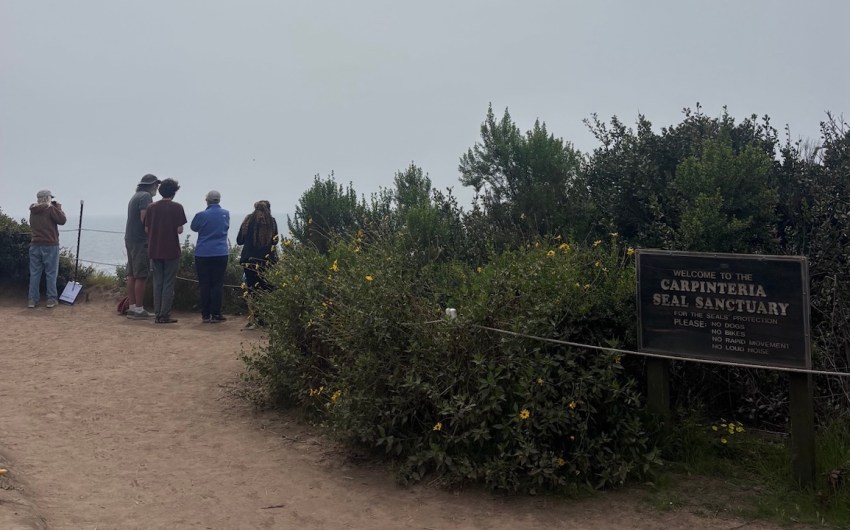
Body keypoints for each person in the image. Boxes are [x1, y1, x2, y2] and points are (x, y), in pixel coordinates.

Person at [144, 178, 187, 324]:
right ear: (174, 192)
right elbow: (180, 230)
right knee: (168, 282)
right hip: (171, 250)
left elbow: (146, 229)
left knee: (158, 282)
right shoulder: (177, 207)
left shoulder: (151, 207)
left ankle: (157, 313)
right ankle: (164, 314)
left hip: (154, 249)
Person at [237, 200, 278, 329]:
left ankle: (254, 319)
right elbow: (275, 241)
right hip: (267, 261)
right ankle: (266, 319)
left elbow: (239, 240)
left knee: (252, 290)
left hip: (249, 260)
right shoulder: (272, 221)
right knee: (267, 289)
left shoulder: (248, 220)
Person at [190, 190, 230, 324]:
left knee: (204, 284)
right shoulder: (226, 214)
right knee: (217, 284)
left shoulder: (201, 215)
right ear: (219, 200)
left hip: (203, 253)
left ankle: (205, 315)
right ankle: (216, 313)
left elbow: (194, 227)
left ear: (206, 200)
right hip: (220, 252)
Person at [124, 174, 160, 319]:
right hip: (140, 240)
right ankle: (139, 309)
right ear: (150, 185)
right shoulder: (145, 197)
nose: (157, 188)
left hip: (130, 238)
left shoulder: (135, 196)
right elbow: (144, 217)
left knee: (132, 274)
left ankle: (132, 307)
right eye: (156, 185)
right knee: (141, 275)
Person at [28, 189, 67, 308]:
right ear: (48, 198)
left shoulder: (33, 211)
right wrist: (58, 208)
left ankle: (32, 300)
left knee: (35, 274)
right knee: (51, 273)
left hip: (35, 244)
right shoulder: (50, 209)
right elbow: (62, 220)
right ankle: (51, 299)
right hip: (50, 245)